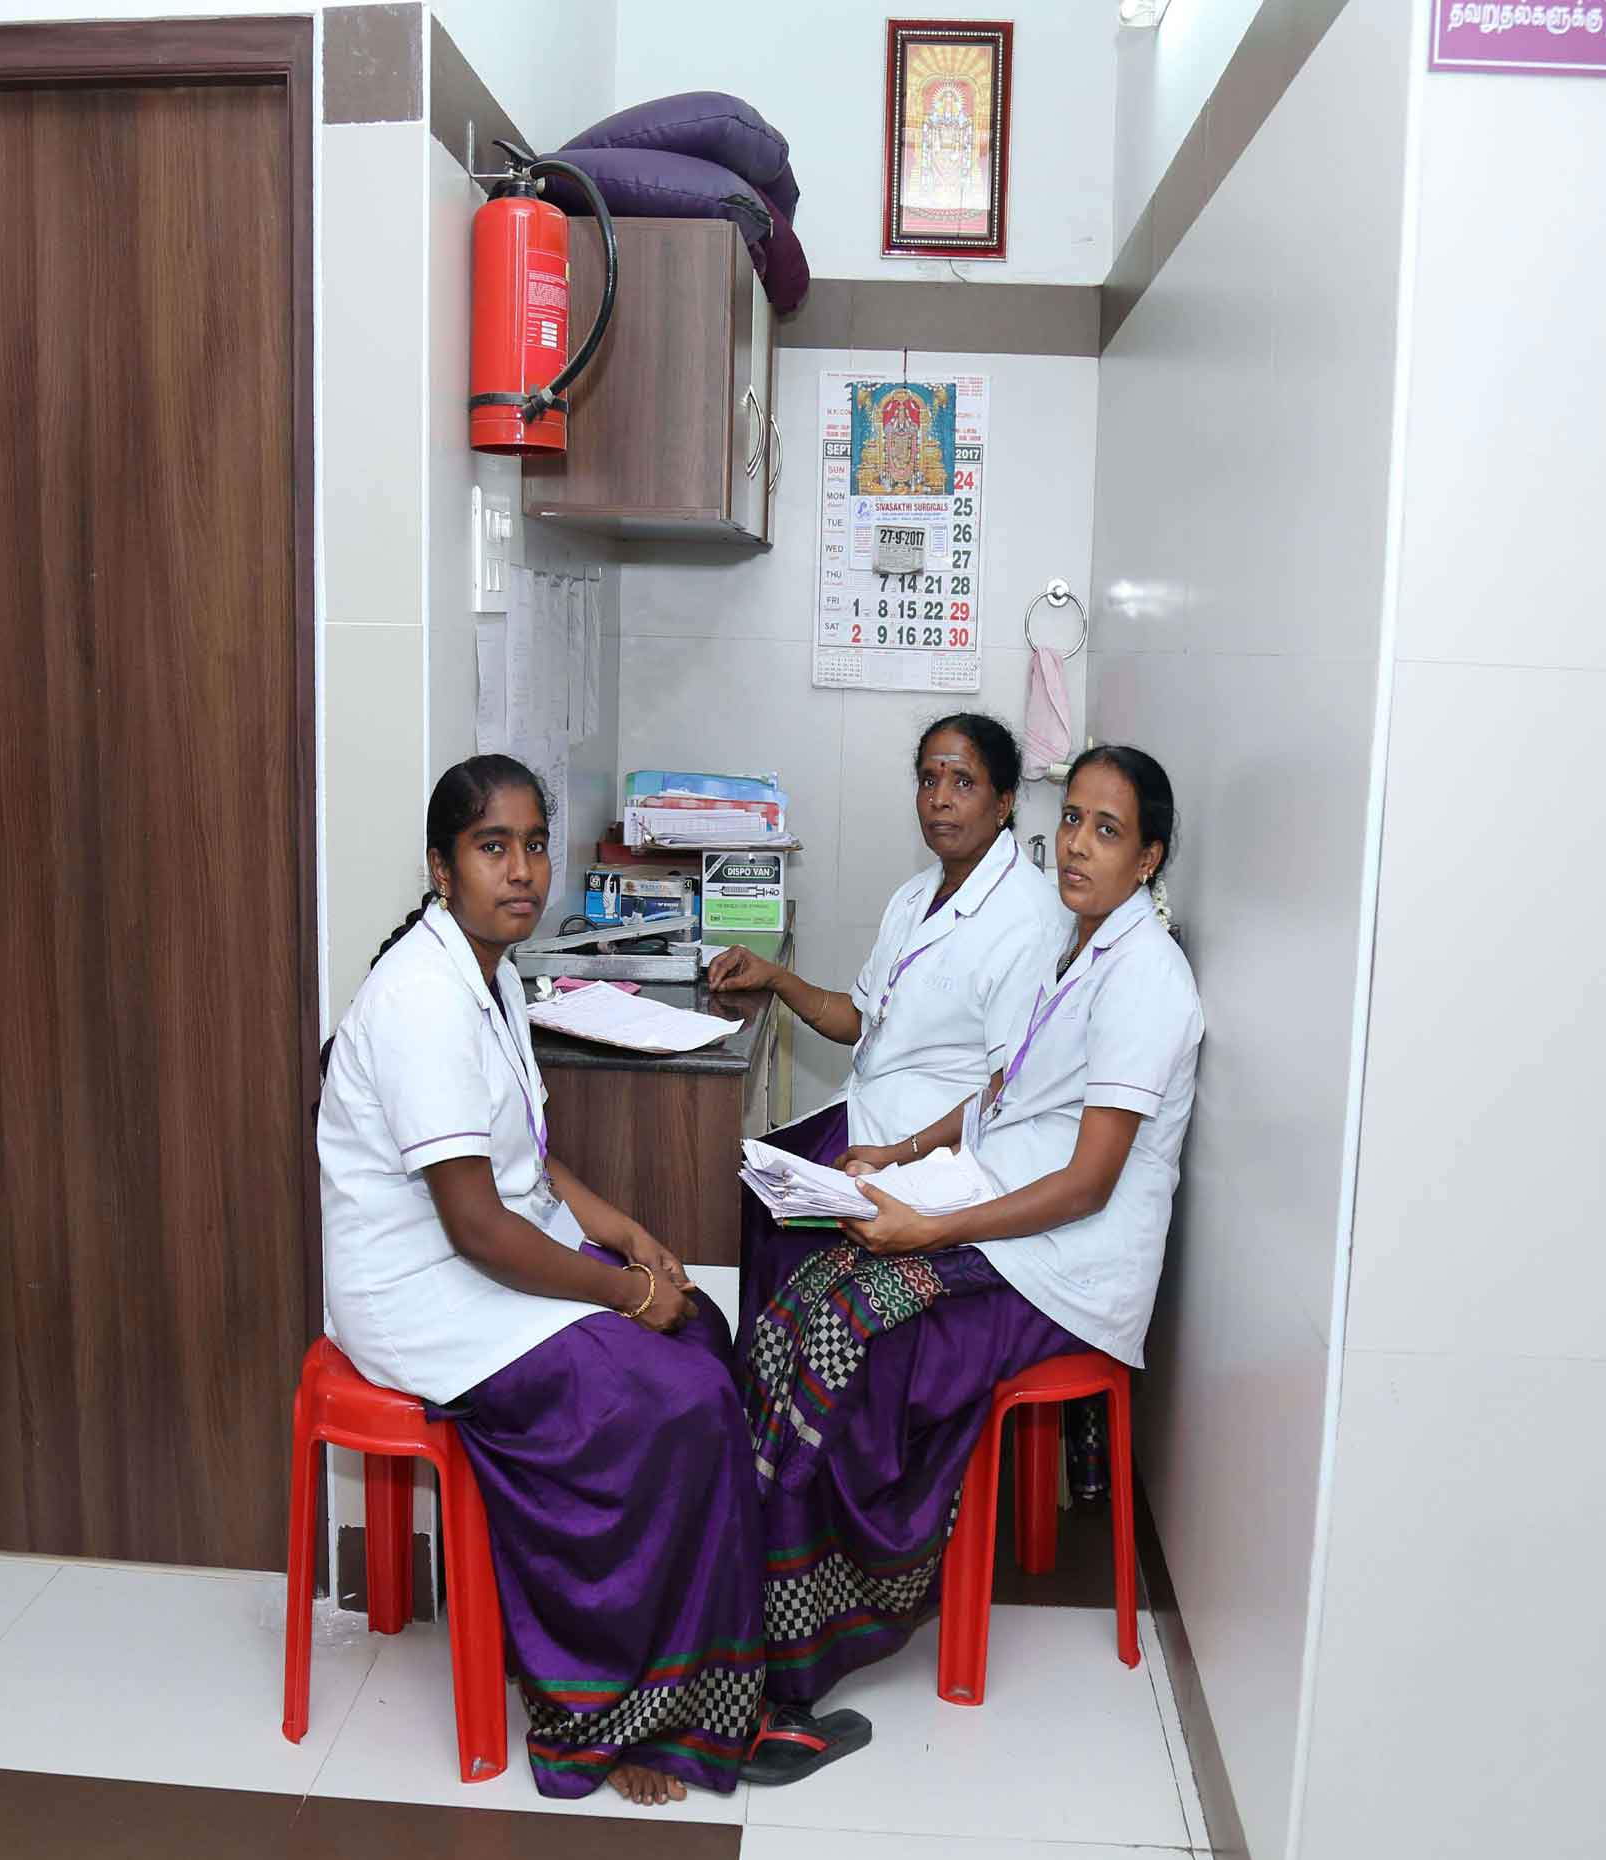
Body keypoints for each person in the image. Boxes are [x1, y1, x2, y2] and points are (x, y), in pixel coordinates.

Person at [316, 755, 869, 1808]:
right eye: (492, 848)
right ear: (441, 868)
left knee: (701, 1332)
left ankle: (712, 1671)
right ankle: (620, 1716)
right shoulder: (422, 1000)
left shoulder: (491, 975)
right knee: (673, 1399)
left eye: (533, 845)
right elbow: (476, 1223)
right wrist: (621, 1292)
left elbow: (524, 1158)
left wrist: (627, 1233)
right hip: (425, 1296)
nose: (522, 871)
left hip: (486, 1260)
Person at [738, 745, 1203, 1704]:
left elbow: (1088, 1185)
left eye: (1107, 831)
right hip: (1000, 1205)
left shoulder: (1146, 979)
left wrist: (929, 1231)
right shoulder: (1070, 945)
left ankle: (820, 1623)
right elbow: (1000, 1091)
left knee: (855, 1335)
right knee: (809, 1292)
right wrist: (899, 1156)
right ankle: (755, 1576)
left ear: (1149, 857)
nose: (1077, 845)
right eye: (1071, 820)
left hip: (1068, 1267)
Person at [707, 712, 1065, 1333]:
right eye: (928, 780)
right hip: (870, 1117)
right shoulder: (916, 895)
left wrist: (902, 1154)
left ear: (1004, 802)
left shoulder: (1027, 918)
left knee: (776, 1234)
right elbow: (859, 1019)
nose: (939, 799)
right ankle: (749, 1379)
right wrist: (775, 978)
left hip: (933, 1152)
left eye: (962, 782)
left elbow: (1007, 1089)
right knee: (745, 1192)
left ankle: (765, 1383)